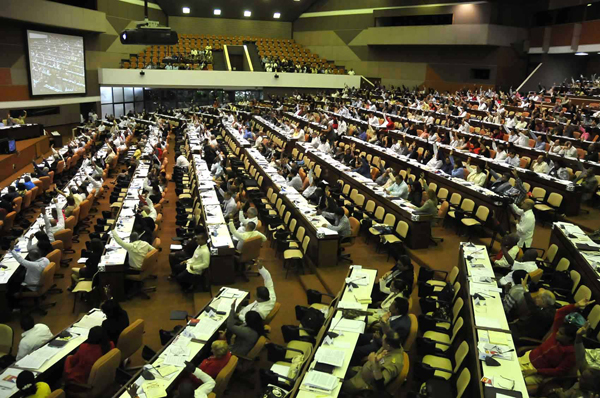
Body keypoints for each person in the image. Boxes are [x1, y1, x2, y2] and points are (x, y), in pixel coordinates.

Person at [519, 298, 591, 392]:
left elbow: (559, 371)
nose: (556, 333)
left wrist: (536, 371)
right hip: (527, 358)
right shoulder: (556, 336)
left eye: (561, 333)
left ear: (568, 338)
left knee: (515, 381)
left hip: (538, 372)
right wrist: (575, 305)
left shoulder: (571, 352)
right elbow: (560, 313)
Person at [510, 278, 556, 342]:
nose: (536, 298)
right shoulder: (547, 308)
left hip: (525, 335)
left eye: (538, 297)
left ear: (543, 301)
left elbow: (532, 307)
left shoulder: (546, 314)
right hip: (523, 329)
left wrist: (525, 289)